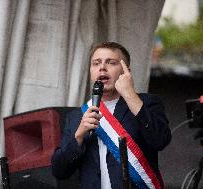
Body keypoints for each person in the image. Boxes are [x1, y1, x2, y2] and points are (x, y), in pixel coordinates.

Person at [51, 42, 171, 189]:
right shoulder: (77, 116)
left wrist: (129, 94)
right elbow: (59, 171)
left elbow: (161, 140)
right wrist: (79, 137)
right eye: (96, 63)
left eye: (111, 62)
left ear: (126, 71)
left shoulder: (147, 102)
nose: (102, 67)